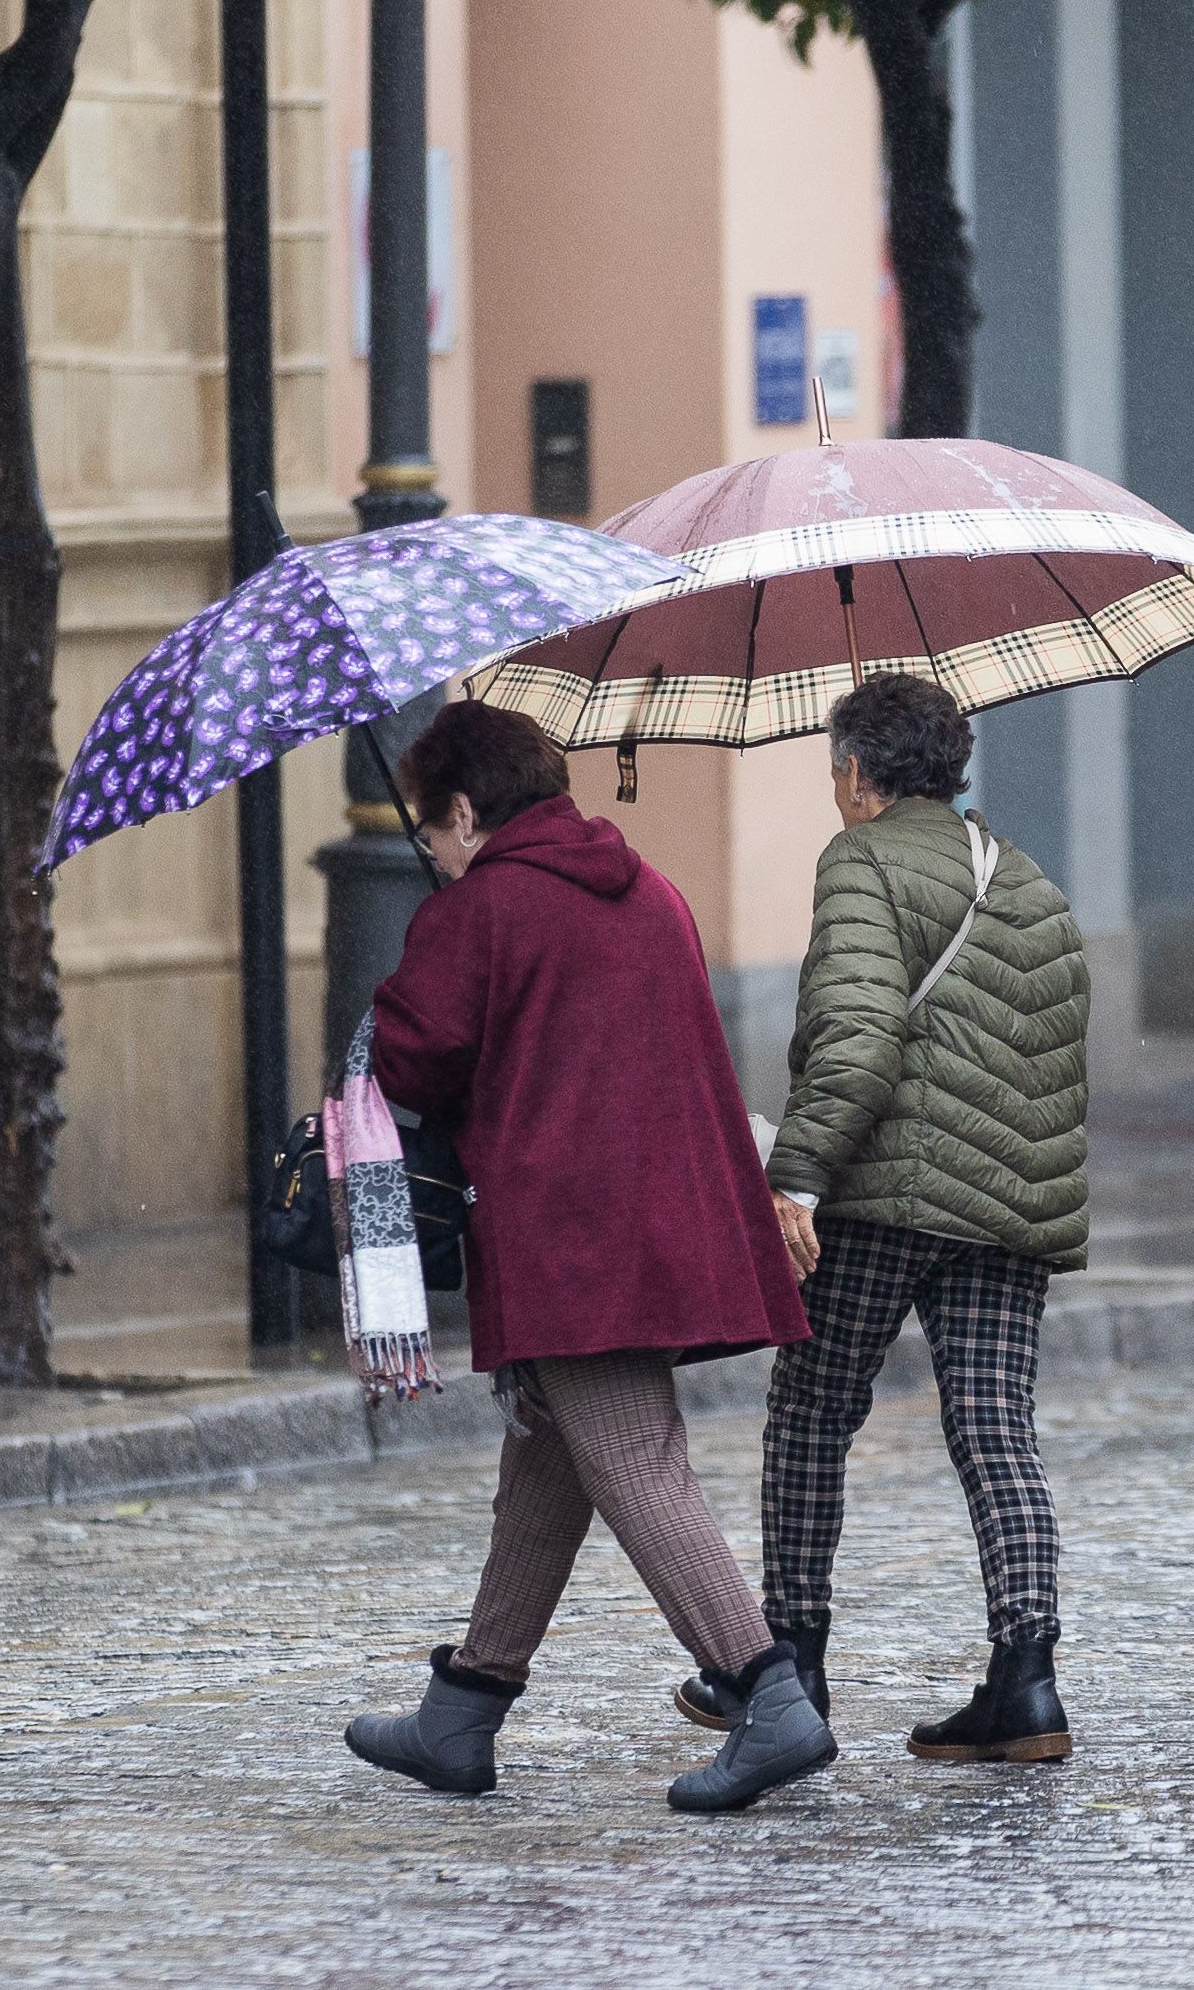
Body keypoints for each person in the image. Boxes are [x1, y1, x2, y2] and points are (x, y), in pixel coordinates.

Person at [341, 700, 834, 1814]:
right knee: (549, 1463)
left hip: (572, 1241)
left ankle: (770, 1698)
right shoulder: (647, 886)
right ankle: (462, 1711)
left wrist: (423, 954)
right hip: (663, 1224)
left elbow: (411, 1061)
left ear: (466, 811)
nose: (432, 850)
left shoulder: (489, 908)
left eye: (431, 832)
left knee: (634, 1458)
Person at [679, 673, 1091, 1763]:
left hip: (880, 1197)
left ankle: (791, 1666)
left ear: (857, 775)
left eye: (832, 766)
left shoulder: (858, 860)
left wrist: (797, 1179)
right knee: (993, 1425)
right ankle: (1026, 1678)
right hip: (1007, 1206)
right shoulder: (1030, 880)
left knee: (812, 1410)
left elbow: (858, 1036)